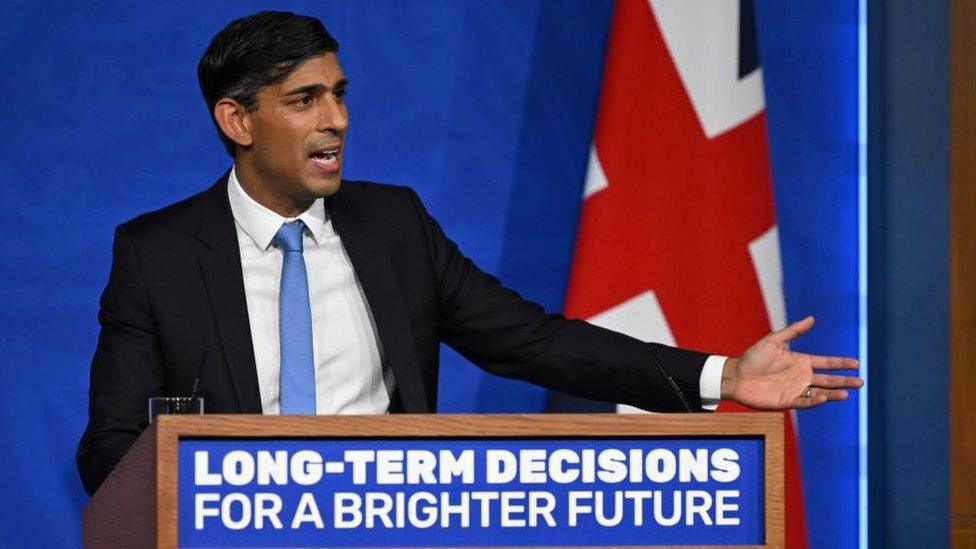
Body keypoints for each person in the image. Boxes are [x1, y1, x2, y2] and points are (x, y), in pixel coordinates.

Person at [76, 11, 862, 497]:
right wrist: (195, 491)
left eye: (341, 94)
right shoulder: (159, 255)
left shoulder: (393, 224)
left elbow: (536, 341)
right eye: (304, 100)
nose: (337, 120)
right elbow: (108, 447)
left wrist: (723, 374)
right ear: (237, 121)